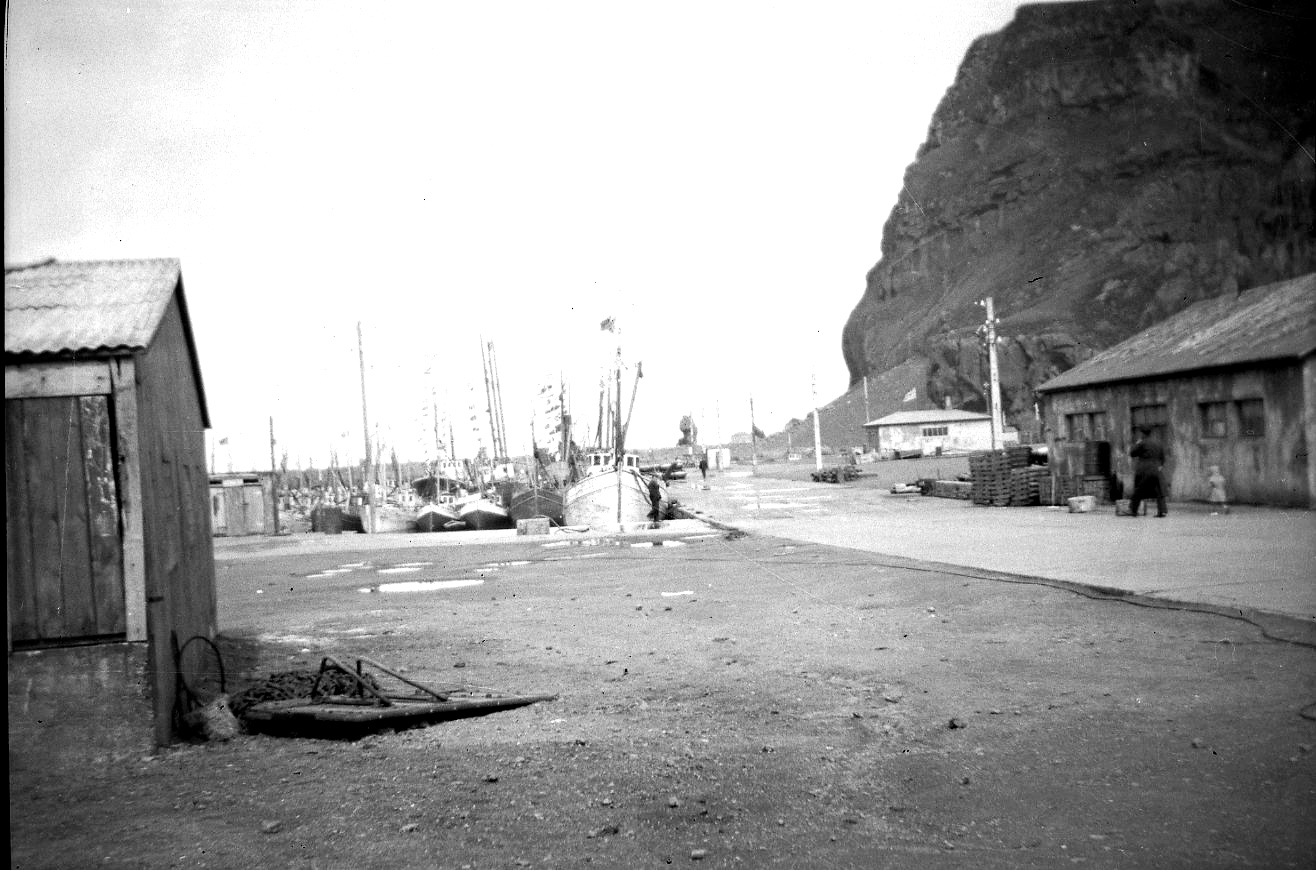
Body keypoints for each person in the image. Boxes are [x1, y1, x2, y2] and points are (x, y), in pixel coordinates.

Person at [1127, 427, 1167, 517]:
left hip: (1144, 469)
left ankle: (1133, 510)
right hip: (1156, 469)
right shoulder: (1158, 442)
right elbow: (1163, 458)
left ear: (1142, 434)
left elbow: (1132, 453)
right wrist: (1159, 466)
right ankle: (1162, 511)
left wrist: (1137, 443)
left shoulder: (1142, 443)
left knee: (1138, 490)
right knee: (1159, 491)